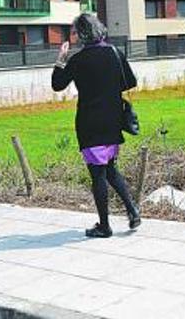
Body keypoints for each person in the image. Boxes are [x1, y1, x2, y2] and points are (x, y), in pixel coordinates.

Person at [52, 13, 140, 238]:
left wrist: (61, 58)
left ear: (82, 34)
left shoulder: (78, 60)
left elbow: (57, 84)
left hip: (90, 123)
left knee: (98, 175)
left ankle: (104, 226)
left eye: (74, 32)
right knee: (110, 169)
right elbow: (130, 82)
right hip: (113, 121)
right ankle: (132, 211)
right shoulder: (114, 52)